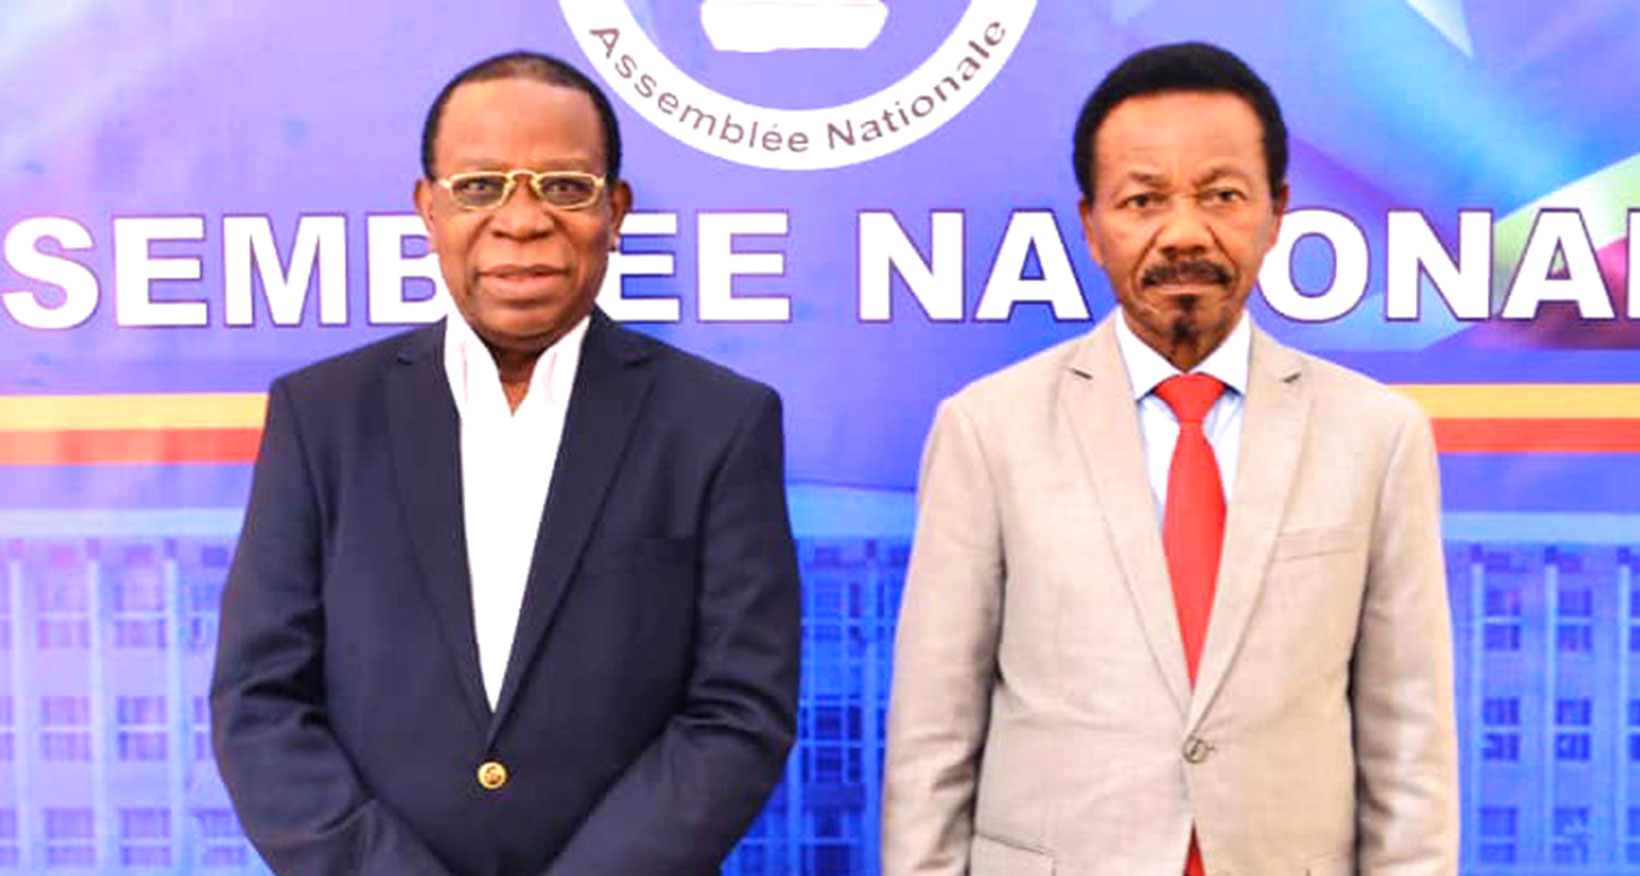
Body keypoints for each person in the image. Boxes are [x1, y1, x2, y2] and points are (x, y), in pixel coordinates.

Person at [211, 51, 800, 876]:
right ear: (428, 210)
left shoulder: (718, 423)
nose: (521, 220)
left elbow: (737, 712)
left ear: (615, 211)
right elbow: (260, 703)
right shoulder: (323, 416)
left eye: (564, 186)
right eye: (480, 186)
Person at [882, 42, 1457, 875]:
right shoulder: (986, 430)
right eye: (1142, 200)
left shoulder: (1376, 434)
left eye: (1222, 195)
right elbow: (933, 737)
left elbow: (1408, 743)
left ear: (1275, 212)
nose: (1183, 234)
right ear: (1091, 226)